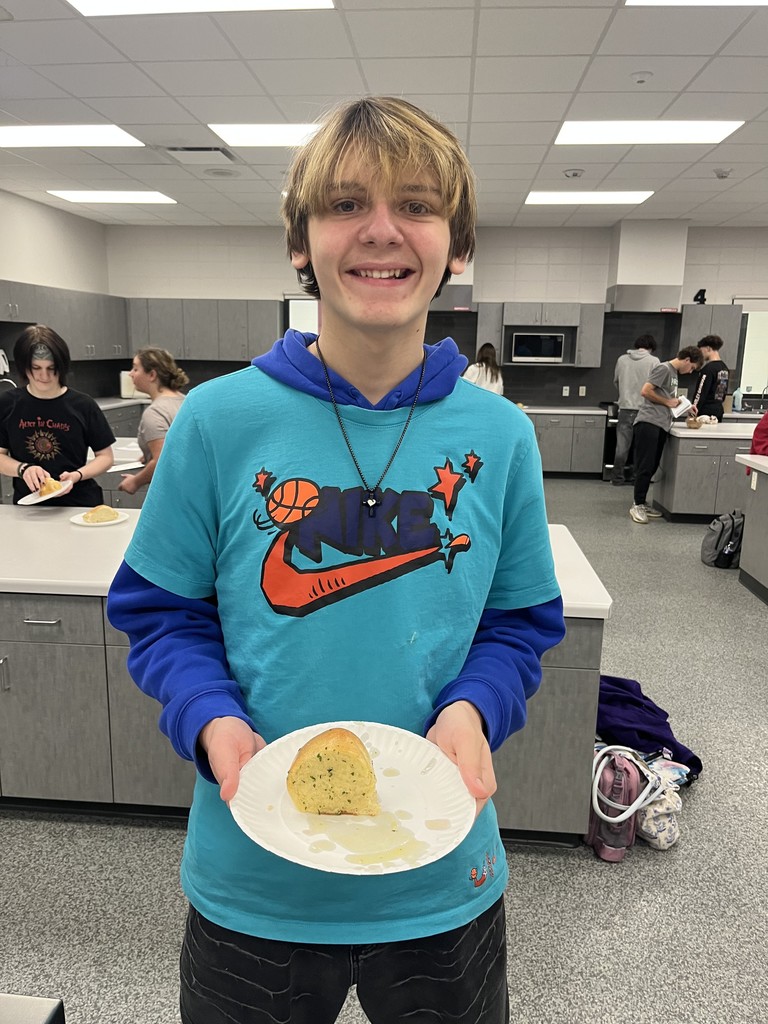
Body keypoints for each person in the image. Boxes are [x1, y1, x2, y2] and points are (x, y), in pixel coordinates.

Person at [107, 96, 566, 1024]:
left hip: (443, 876)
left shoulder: (502, 434)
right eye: (347, 203)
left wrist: (477, 709)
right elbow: (163, 614)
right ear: (300, 240)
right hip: (255, 876)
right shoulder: (217, 421)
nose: (383, 231)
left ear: (457, 243)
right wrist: (209, 719)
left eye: (419, 205)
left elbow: (517, 624)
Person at [0, 324, 114, 506]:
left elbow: (106, 457)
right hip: (28, 506)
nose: (44, 375)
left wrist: (77, 475)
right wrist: (23, 469)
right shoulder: (7, 403)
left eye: (51, 368)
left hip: (79, 503)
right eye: (36, 367)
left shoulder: (83, 405)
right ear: (23, 366)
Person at [629, 345, 703, 524]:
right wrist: (669, 401)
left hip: (660, 424)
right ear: (687, 359)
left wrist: (684, 407)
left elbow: (668, 400)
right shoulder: (663, 368)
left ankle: (642, 502)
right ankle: (637, 505)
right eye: (692, 367)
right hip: (649, 422)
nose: (690, 371)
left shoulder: (673, 373)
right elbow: (646, 391)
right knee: (645, 467)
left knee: (652, 466)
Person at [117, 347, 188, 495]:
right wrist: (149, 452)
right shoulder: (186, 401)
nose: (130, 374)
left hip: (173, 492)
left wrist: (135, 482)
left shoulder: (155, 413)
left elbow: (162, 460)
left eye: (135, 369)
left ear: (152, 375)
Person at [611, 334, 659, 485]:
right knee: (641, 448)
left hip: (625, 408)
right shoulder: (654, 361)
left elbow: (616, 381)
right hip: (644, 410)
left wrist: (625, 395)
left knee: (622, 446)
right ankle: (636, 478)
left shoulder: (622, 360)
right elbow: (656, 386)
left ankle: (617, 478)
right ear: (651, 348)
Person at [690, 334, 729, 421]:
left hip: (705, 413)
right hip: (718, 411)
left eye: (701, 350)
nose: (701, 354)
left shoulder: (708, 369)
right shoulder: (724, 368)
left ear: (708, 348)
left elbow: (700, 392)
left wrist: (693, 409)